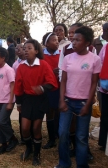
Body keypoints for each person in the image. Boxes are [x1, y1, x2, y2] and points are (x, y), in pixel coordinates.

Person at [56, 26, 101, 168]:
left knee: (81, 137)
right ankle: (64, 163)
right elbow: (63, 80)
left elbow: (94, 83)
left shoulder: (95, 59)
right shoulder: (68, 58)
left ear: (87, 42)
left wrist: (88, 104)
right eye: (73, 39)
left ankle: (82, 165)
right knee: (62, 133)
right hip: (68, 101)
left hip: (83, 103)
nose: (73, 42)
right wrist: (62, 100)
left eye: (77, 40)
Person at [14, 39, 58, 166]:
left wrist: (42, 88)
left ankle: (37, 154)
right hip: (27, 99)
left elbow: (52, 82)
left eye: (29, 48)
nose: (26, 50)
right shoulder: (21, 67)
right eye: (25, 48)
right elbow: (18, 86)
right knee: (25, 128)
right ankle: (29, 148)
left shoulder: (43, 65)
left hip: (40, 99)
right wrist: (19, 103)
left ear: (37, 51)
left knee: (36, 128)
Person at [0, 47, 19, 155]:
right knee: (0, 123)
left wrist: (10, 102)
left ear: (3, 58)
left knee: (1, 121)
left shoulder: (9, 70)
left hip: (7, 100)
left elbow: (13, 85)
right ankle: (3, 144)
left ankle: (13, 139)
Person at [41, 32, 60, 149]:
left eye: (57, 40)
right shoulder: (42, 56)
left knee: (59, 112)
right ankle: (51, 138)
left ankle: (59, 134)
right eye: (54, 40)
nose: (57, 42)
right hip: (48, 88)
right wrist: (51, 73)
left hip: (60, 87)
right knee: (50, 113)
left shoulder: (62, 54)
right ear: (46, 43)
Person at [98, 42, 108, 151]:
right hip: (105, 89)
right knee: (105, 116)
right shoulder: (105, 47)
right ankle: (103, 142)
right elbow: (100, 63)